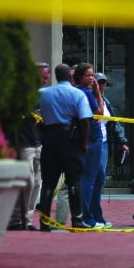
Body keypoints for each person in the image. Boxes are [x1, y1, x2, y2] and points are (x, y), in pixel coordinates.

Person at [36, 64, 93, 231]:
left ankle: (44, 222)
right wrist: (84, 141)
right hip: (71, 140)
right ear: (70, 76)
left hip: (50, 138)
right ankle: (77, 219)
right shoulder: (77, 94)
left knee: (48, 182)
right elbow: (84, 120)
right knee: (74, 180)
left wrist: (42, 130)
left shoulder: (44, 93)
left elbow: (33, 114)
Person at [8, 62, 51, 231]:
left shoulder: (43, 96)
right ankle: (16, 219)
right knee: (28, 182)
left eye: (47, 77)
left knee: (37, 183)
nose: (45, 81)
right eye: (43, 77)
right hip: (24, 142)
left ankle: (27, 219)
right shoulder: (20, 95)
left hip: (39, 142)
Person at [93, 72, 131, 228]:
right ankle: (89, 216)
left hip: (103, 144)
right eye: (99, 82)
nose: (102, 86)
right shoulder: (88, 99)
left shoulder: (106, 101)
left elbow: (114, 123)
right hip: (91, 144)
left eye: (104, 83)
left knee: (100, 180)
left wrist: (122, 141)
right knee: (92, 181)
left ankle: (96, 215)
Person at [73, 63, 107, 228]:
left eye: (93, 75)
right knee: (88, 179)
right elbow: (100, 112)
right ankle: (86, 217)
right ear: (79, 77)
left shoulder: (81, 92)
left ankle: (95, 215)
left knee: (99, 178)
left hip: (94, 139)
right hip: (92, 139)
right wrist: (98, 92)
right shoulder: (84, 93)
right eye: (88, 75)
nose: (92, 79)